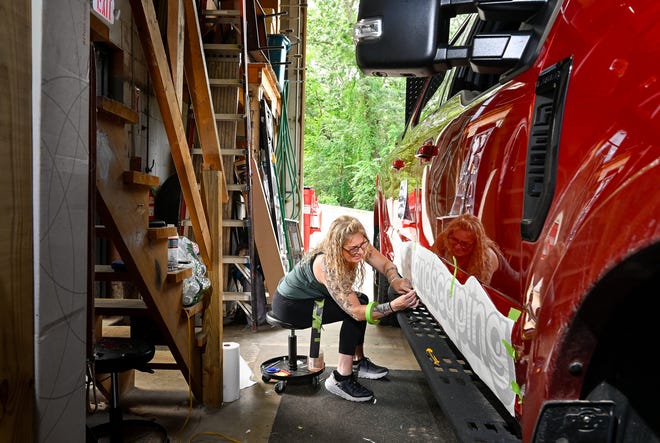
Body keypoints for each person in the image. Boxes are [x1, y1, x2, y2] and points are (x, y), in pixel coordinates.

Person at [272, 215, 419, 402]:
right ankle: (341, 378)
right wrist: (393, 306)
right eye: (353, 249)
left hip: (307, 296)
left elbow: (386, 264)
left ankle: (358, 361)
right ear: (337, 248)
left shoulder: (358, 244)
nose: (360, 252)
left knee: (361, 299)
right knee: (353, 311)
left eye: (363, 244)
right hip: (290, 305)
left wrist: (394, 279)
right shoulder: (328, 265)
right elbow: (357, 312)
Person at [430, 213, 500, 284]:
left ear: (475, 245)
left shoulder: (486, 258)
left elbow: (477, 291)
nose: (457, 246)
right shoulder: (446, 237)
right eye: (455, 240)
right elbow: (430, 263)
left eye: (465, 244)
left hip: (501, 290)